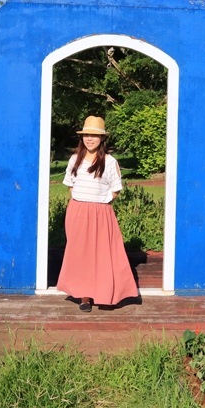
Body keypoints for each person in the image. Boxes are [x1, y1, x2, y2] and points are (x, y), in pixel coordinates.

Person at [56, 115, 139, 312]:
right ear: (82, 137)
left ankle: (105, 293)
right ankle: (84, 296)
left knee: (103, 254)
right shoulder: (74, 159)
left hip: (101, 212)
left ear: (102, 139)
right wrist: (80, 204)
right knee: (80, 254)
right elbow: (70, 185)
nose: (90, 139)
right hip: (77, 210)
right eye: (86, 135)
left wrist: (100, 205)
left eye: (94, 135)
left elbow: (116, 189)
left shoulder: (110, 162)